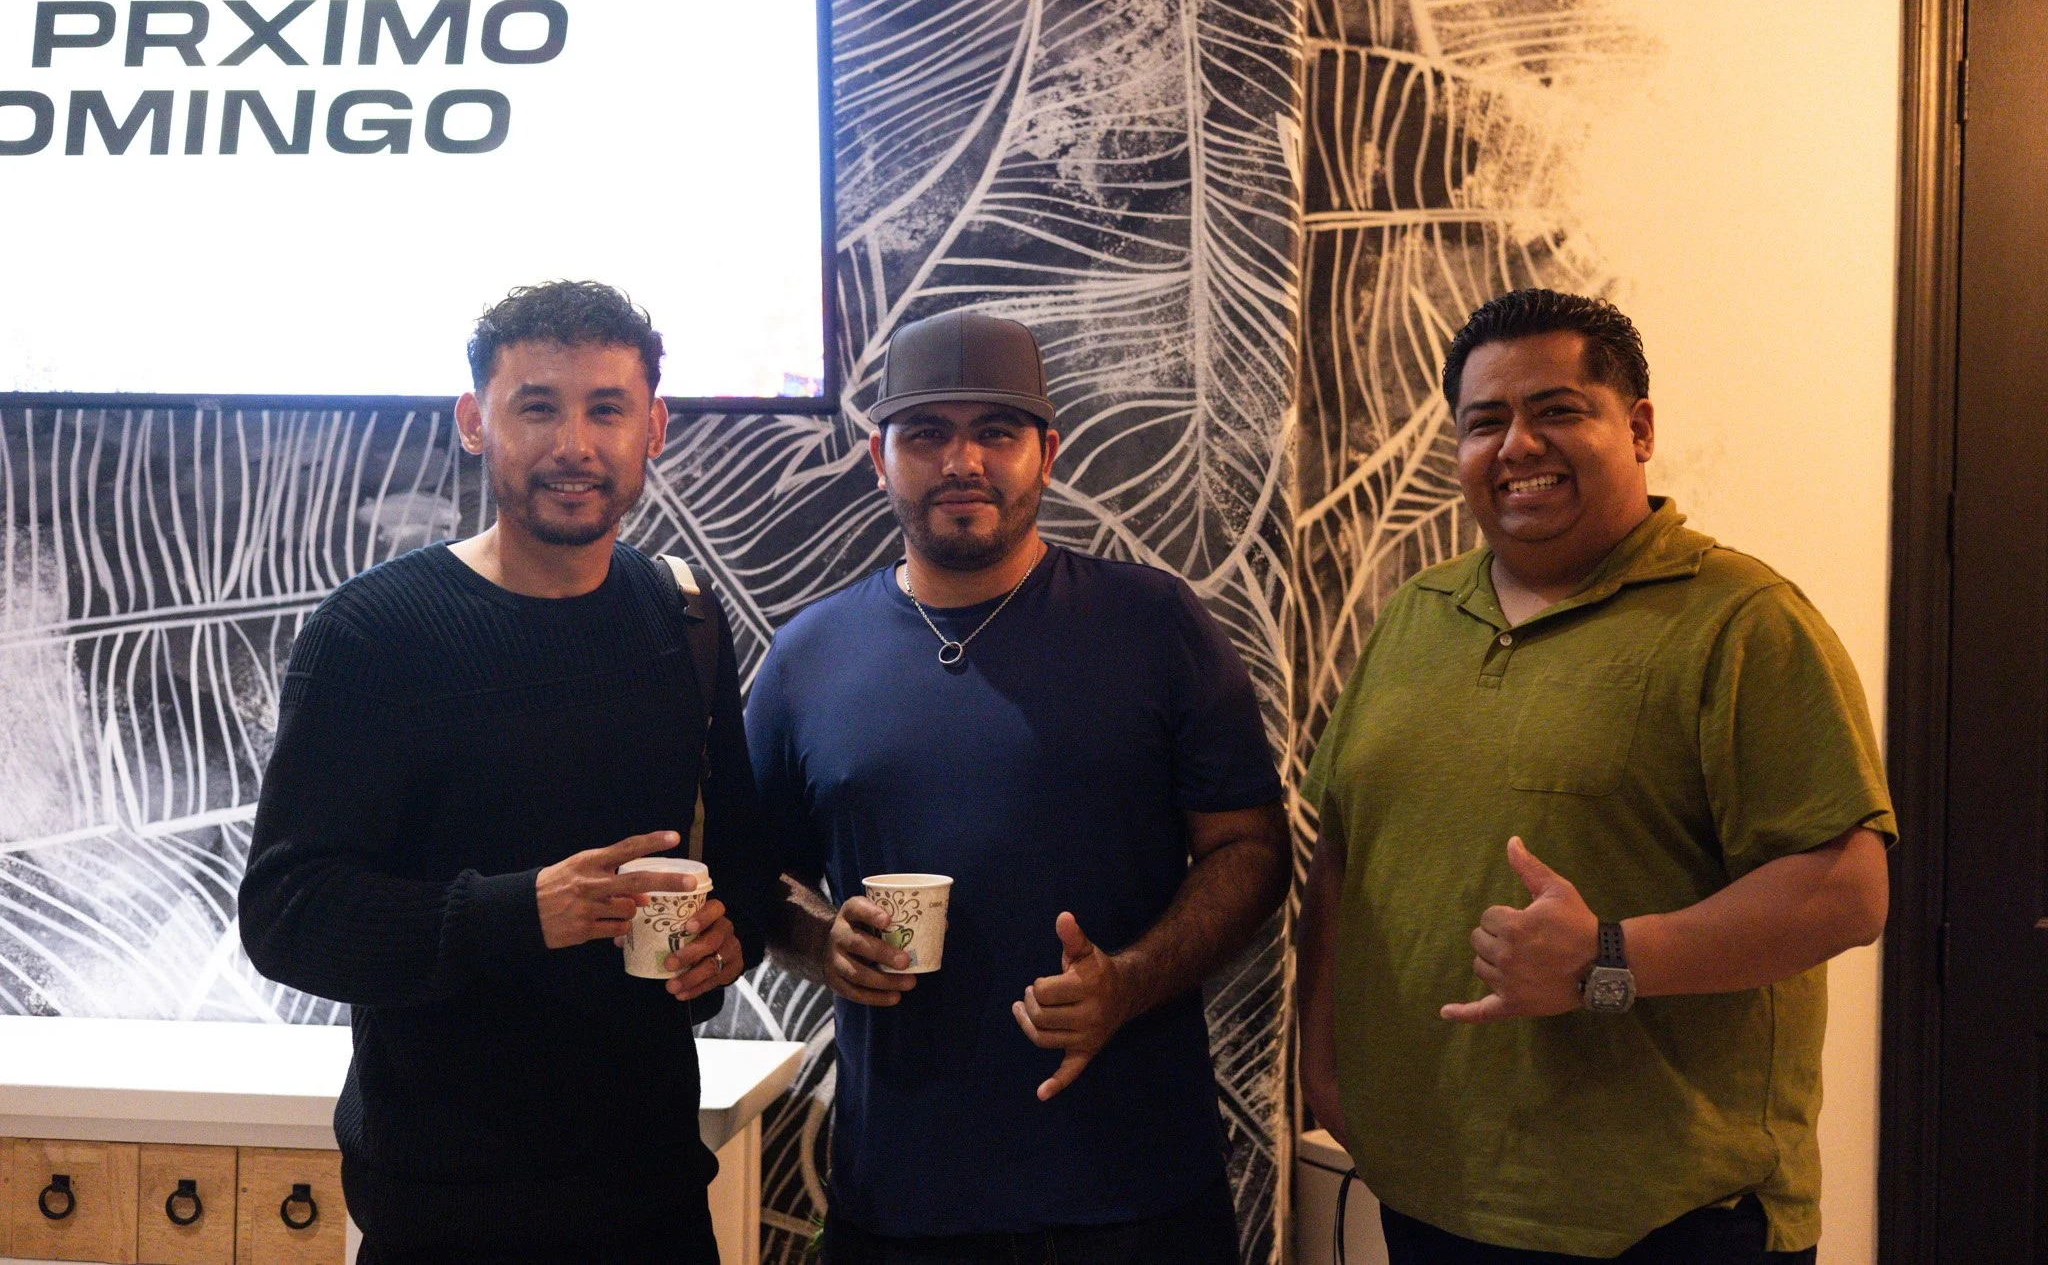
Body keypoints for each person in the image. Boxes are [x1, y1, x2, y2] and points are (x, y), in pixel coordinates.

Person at [1295, 288, 1895, 1264]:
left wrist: (1604, 958)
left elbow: (1844, 892)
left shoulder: (1741, 620)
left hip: (1662, 1220)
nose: (1517, 445)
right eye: (1483, 421)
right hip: (1428, 1193)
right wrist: (1321, 1059)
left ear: (1638, 427)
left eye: (1557, 410)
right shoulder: (1415, 613)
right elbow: (1343, 847)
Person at [239, 280, 772, 1263]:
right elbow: (289, 913)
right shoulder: (376, 633)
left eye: (605, 408)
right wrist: (523, 910)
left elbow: (735, 858)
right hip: (442, 1219)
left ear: (652, 426)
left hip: (654, 1205)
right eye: (537, 406)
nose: (574, 442)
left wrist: (721, 947)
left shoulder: (683, 617)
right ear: (474, 422)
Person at [748, 309, 1289, 1264]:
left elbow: (1250, 850)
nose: (962, 460)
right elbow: (754, 878)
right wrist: (822, 941)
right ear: (881, 458)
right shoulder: (806, 657)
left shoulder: (1153, 623)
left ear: (1047, 452)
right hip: (898, 1199)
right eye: (926, 432)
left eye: (995, 430)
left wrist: (1128, 981)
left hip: (1136, 1195)